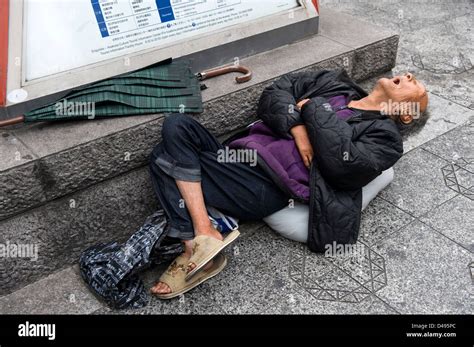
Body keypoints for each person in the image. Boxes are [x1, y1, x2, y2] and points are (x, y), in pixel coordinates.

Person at [149, 69, 428, 298]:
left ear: (407, 114)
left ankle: (192, 244)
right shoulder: (337, 84)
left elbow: (343, 165)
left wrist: (313, 108)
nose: (409, 74)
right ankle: (204, 232)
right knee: (177, 125)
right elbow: (277, 89)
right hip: (237, 154)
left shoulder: (385, 138)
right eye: (410, 74)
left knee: (163, 155)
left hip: (269, 186)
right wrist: (297, 128)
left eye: (416, 85)